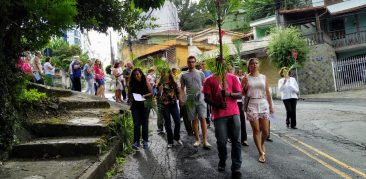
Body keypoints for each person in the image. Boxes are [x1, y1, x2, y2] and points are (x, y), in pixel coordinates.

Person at [202, 57, 242, 179]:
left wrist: (229, 94)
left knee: (236, 141)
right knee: (221, 142)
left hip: (234, 113)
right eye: (219, 64)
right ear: (216, 65)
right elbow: (206, 98)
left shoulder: (233, 77)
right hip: (219, 115)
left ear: (225, 65)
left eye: (223, 64)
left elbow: (240, 94)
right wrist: (218, 104)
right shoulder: (209, 80)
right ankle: (223, 159)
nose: (221, 66)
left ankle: (236, 167)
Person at [241, 57, 274, 164]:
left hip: (263, 103)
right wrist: (244, 84)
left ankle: (261, 143)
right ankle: (260, 152)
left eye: (256, 63)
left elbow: (268, 93)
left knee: (265, 131)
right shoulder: (245, 77)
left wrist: (271, 106)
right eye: (252, 64)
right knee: (256, 130)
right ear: (248, 66)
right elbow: (242, 93)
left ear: (258, 65)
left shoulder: (263, 77)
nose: (254, 65)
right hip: (251, 104)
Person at [180, 56, 211, 148]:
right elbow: (182, 88)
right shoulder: (184, 75)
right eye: (189, 62)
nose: (191, 63)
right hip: (190, 99)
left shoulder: (201, 73)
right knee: (194, 120)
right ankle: (197, 140)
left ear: (195, 63)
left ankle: (205, 140)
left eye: (193, 62)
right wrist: (182, 98)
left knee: (203, 118)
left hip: (201, 98)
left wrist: (206, 95)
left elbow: (205, 85)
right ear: (187, 63)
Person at [128, 68, 153, 149]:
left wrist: (144, 96)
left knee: (145, 123)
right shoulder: (131, 83)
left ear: (141, 74)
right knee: (136, 124)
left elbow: (151, 93)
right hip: (135, 106)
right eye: (134, 75)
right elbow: (129, 94)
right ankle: (136, 142)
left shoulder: (145, 82)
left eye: (138, 74)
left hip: (145, 105)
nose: (136, 76)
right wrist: (132, 98)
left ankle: (145, 141)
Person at [157, 69, 182, 148]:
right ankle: (170, 141)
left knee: (177, 122)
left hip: (173, 105)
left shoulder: (174, 84)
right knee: (168, 124)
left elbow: (178, 94)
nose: (166, 77)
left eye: (167, 76)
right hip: (165, 106)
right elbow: (157, 96)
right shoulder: (160, 84)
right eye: (164, 76)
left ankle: (176, 137)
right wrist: (159, 90)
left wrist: (180, 100)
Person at [236, 69, 249, 146]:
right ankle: (231, 137)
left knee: (242, 119)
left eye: (231, 69)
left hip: (239, 101)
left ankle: (244, 138)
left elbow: (242, 90)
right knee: (232, 121)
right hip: (231, 102)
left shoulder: (239, 78)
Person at [200, 62, 212, 128]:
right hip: (203, 92)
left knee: (209, 106)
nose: (203, 65)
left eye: (204, 64)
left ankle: (210, 118)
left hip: (209, 91)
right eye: (202, 64)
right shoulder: (199, 72)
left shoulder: (209, 71)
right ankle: (207, 121)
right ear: (201, 65)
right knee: (206, 107)